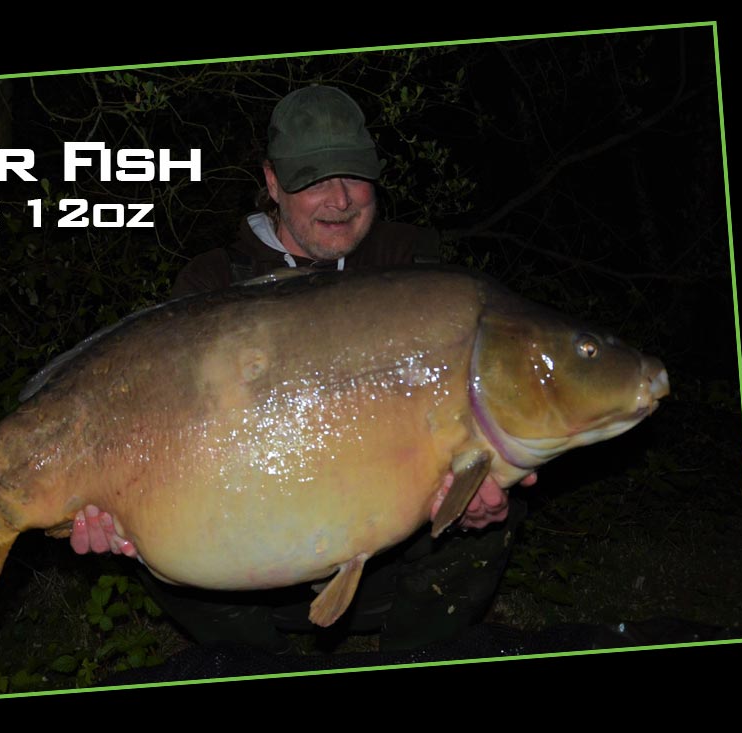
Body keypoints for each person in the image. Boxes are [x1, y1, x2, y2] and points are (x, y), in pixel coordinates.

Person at [68, 85, 535, 652]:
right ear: (271, 182)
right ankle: (260, 664)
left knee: (498, 513)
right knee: (154, 538)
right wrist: (115, 505)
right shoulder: (210, 286)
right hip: (248, 565)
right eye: (313, 180)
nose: (340, 199)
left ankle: (413, 658)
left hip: (392, 558)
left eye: (355, 176)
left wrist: (467, 504)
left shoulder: (414, 271)